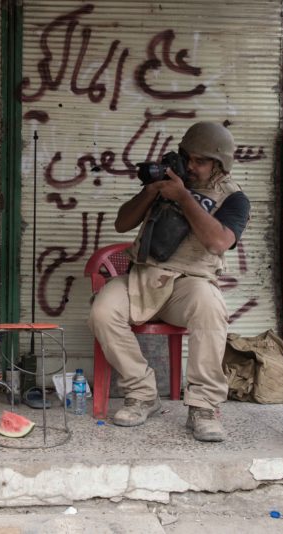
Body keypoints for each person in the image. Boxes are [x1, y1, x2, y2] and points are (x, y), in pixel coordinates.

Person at [88, 122, 250, 442]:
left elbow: (219, 242)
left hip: (190, 282)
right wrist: (150, 192)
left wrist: (184, 198)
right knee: (102, 312)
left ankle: (203, 407)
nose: (190, 166)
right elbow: (123, 223)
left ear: (219, 164)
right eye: (187, 157)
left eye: (200, 161)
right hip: (143, 275)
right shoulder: (169, 179)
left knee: (210, 306)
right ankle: (142, 392)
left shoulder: (234, 199)